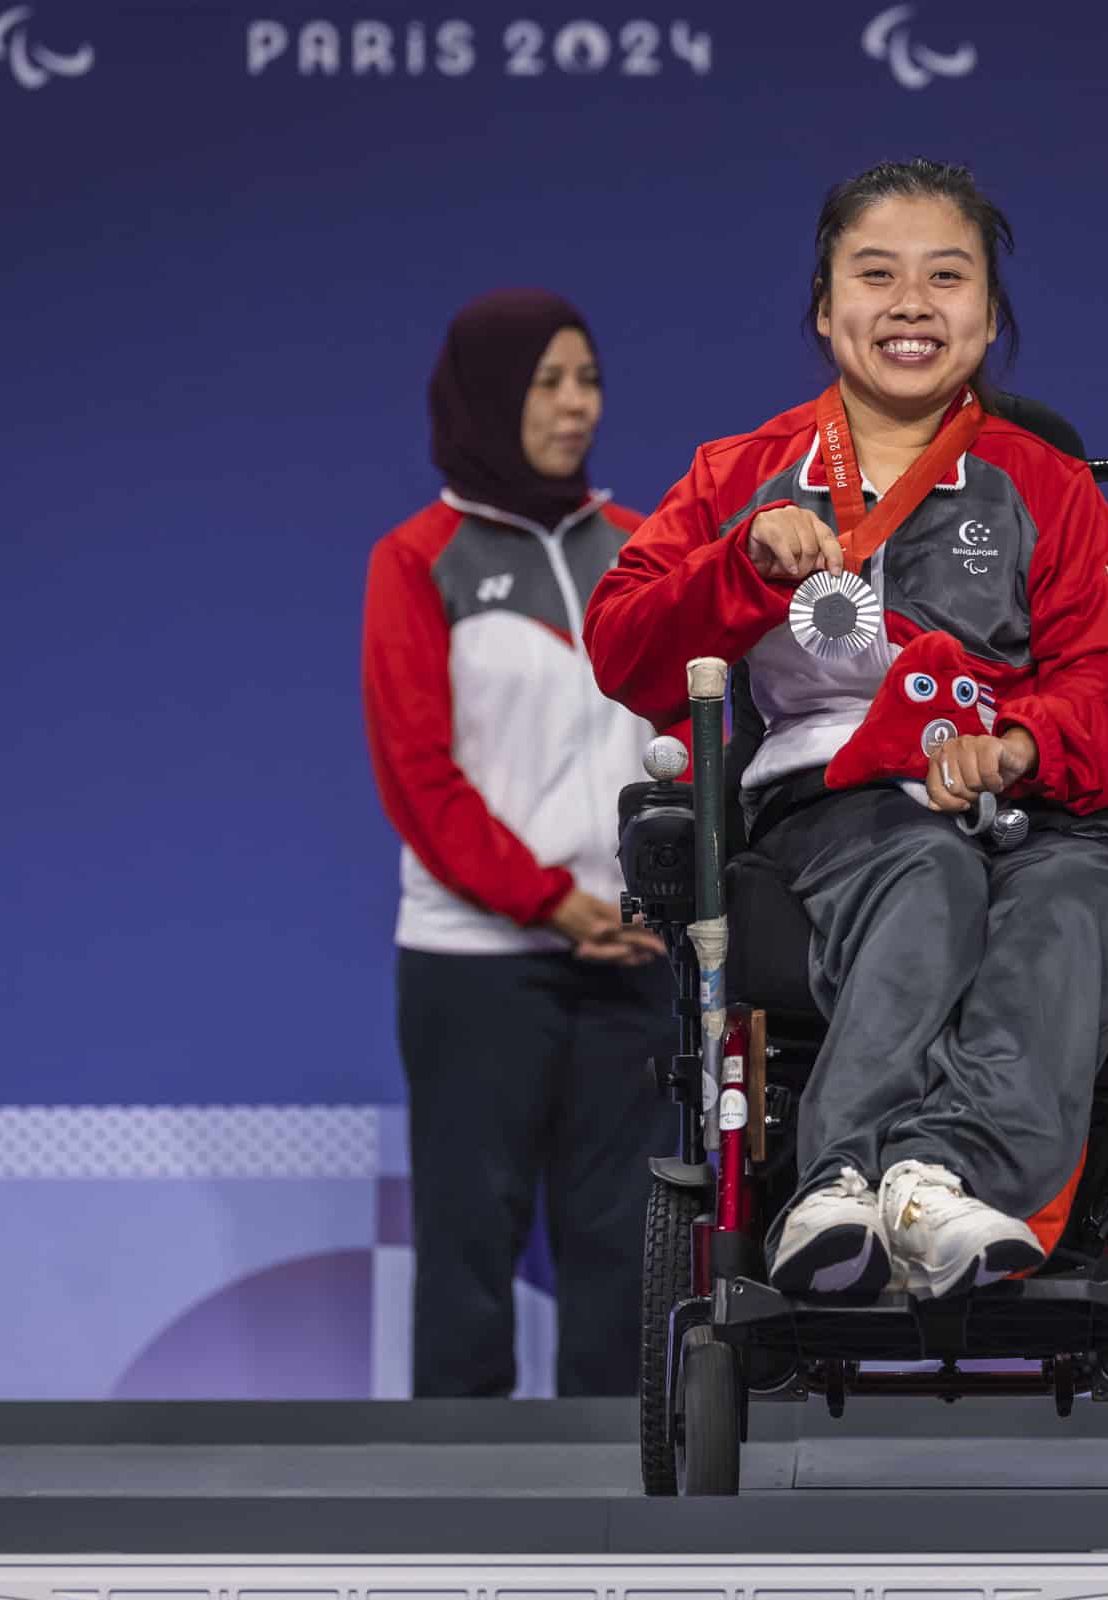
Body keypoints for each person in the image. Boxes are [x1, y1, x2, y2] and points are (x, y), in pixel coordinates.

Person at [583, 161, 1108, 1303]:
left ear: (989, 317)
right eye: (877, 275)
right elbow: (622, 646)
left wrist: (1024, 746)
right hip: (838, 805)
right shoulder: (738, 476)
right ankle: (837, 1175)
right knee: (929, 867)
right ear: (823, 307)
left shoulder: (1049, 486)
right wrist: (740, 563)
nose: (911, 303)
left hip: (1035, 801)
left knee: (1069, 900)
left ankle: (936, 1182)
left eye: (947, 277)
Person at [362, 289, 675, 1395]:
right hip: (473, 965)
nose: (575, 404)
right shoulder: (417, 559)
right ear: (489, 396)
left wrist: (657, 900)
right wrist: (548, 900)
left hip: (633, 961)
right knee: (467, 1254)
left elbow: (692, 742)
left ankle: (623, 1528)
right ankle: (454, 1528)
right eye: (547, 382)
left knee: (629, 1257)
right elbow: (419, 773)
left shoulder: (646, 550)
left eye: (587, 378)